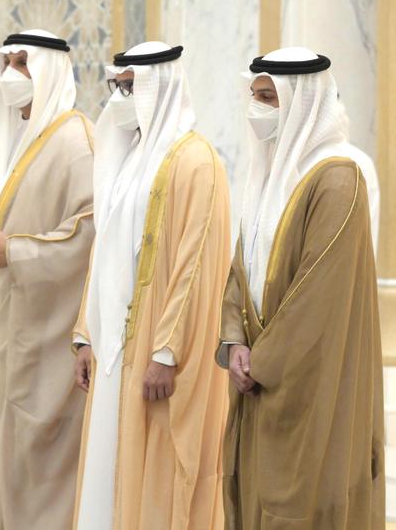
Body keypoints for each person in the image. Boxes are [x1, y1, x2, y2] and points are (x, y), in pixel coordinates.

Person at [218, 47, 384, 529]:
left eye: (269, 97)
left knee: (303, 503)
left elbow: (319, 297)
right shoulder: (270, 174)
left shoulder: (338, 176)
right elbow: (240, 268)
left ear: (301, 102)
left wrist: (261, 361)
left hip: (309, 383)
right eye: (254, 96)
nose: (258, 109)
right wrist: (234, 343)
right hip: (256, 378)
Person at [72, 42, 231, 529]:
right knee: (108, 466)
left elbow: (196, 263)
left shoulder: (195, 161)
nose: (119, 96)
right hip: (114, 349)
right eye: (115, 86)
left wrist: (166, 351)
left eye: (129, 86)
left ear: (158, 87)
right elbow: (105, 250)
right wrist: (85, 335)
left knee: (157, 471)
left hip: (157, 354)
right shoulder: (128, 157)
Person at [0, 30, 95, 530]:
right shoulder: (23, 141)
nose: (12, 74)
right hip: (15, 333)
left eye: (24, 64)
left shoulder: (75, 140)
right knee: (8, 459)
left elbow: (88, 232)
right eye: (7, 62)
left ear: (50, 70)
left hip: (54, 339)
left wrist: (16, 251)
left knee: (44, 468)